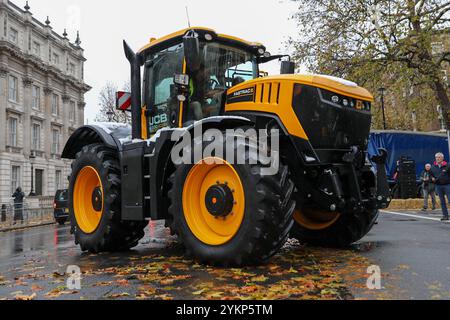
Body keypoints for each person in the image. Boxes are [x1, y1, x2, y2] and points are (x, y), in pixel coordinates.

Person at [431, 153, 450, 221]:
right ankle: (445, 215)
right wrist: (432, 179)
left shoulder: (447, 165)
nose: (437, 159)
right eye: (436, 157)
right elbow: (431, 175)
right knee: (442, 201)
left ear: (442, 158)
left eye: (439, 157)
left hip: (447, 185)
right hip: (438, 186)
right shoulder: (433, 167)